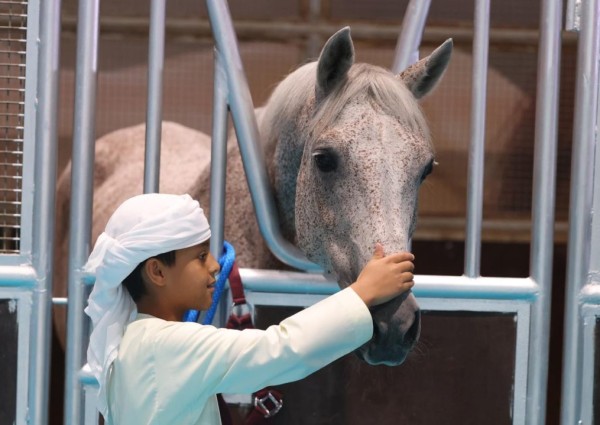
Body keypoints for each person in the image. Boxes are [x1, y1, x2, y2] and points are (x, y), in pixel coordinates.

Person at [85, 193, 415, 425]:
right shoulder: (167, 346)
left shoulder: (135, 343)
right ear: (157, 272)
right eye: (200, 257)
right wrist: (362, 293)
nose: (215, 265)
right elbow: (283, 349)